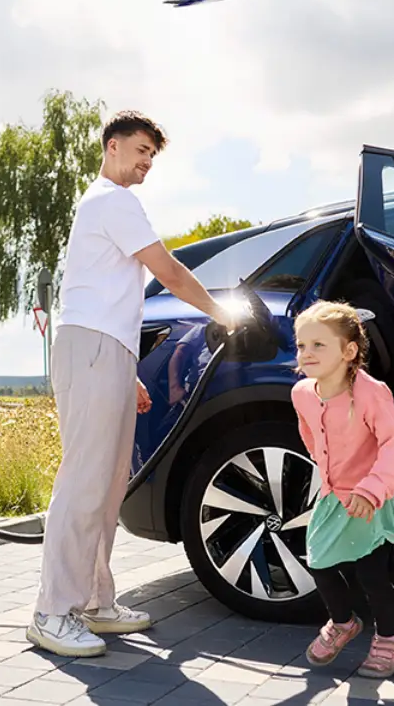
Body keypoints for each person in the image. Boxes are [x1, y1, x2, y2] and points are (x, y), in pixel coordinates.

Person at [27, 110, 237, 658]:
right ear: (113, 146)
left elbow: (120, 292)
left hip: (107, 351)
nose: (146, 162)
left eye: (152, 155)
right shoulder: (112, 201)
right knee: (84, 481)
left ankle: (95, 602)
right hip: (91, 346)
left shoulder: (106, 204)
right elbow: (166, 270)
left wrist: (125, 372)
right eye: (140, 150)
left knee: (108, 482)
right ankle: (51, 612)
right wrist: (222, 312)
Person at [290, 300, 394, 677]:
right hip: (335, 493)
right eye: (301, 345)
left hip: (374, 496)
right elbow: (310, 435)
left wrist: (372, 489)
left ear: (349, 351)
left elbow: (393, 446)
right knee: (319, 563)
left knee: (372, 575)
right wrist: (329, 477)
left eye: (318, 345)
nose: (307, 353)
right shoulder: (302, 393)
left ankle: (388, 638)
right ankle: (343, 622)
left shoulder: (371, 394)